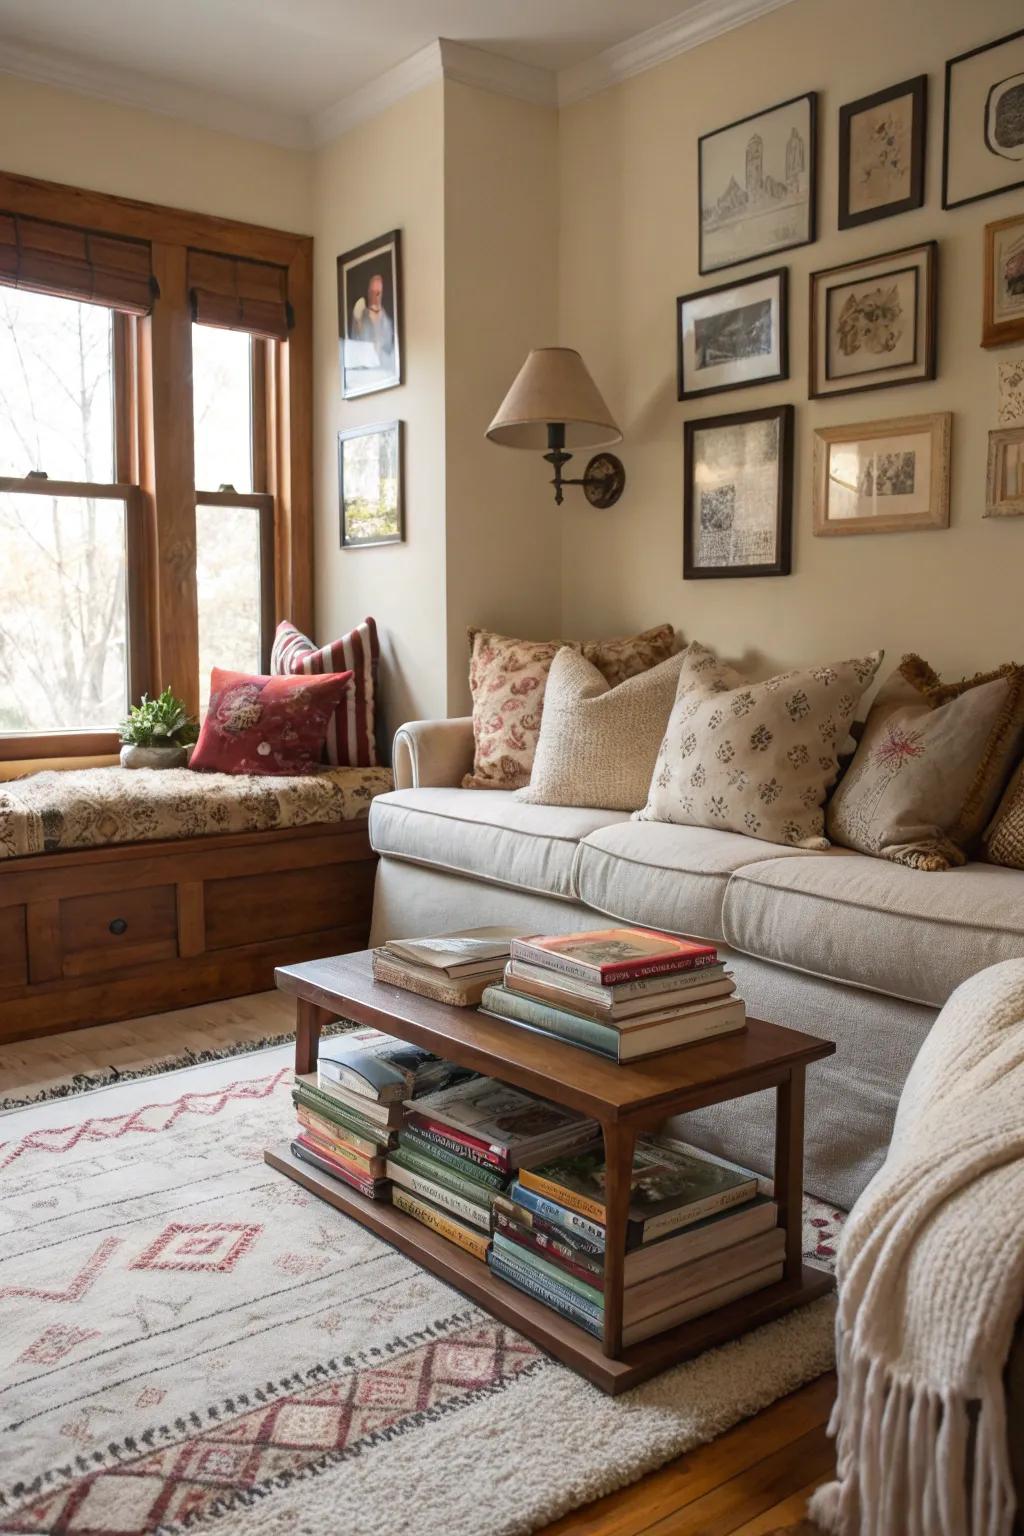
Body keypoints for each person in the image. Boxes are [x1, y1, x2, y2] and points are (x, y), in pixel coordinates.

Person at [349, 272, 394, 373]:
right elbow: (354, 347)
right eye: (372, 292)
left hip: (383, 373)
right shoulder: (360, 315)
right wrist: (358, 322)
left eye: (378, 292)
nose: (375, 296)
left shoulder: (387, 322)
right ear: (368, 292)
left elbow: (390, 351)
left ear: (382, 294)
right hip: (364, 374)